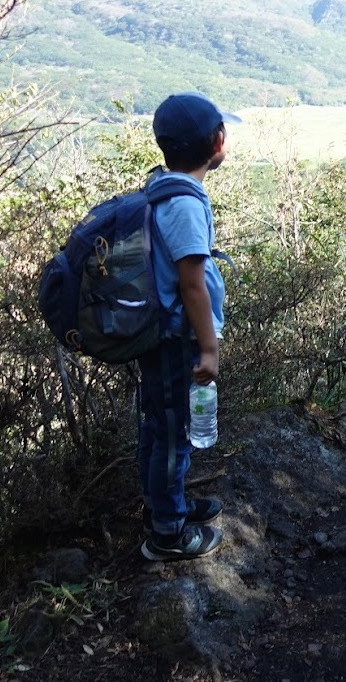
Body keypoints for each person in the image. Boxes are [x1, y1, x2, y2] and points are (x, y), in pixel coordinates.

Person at [138, 92, 240, 561]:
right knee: (173, 433)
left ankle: (165, 504)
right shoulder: (184, 205)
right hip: (177, 341)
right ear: (217, 141)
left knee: (161, 426)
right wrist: (209, 348)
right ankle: (168, 533)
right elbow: (192, 286)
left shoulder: (166, 188)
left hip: (165, 336)